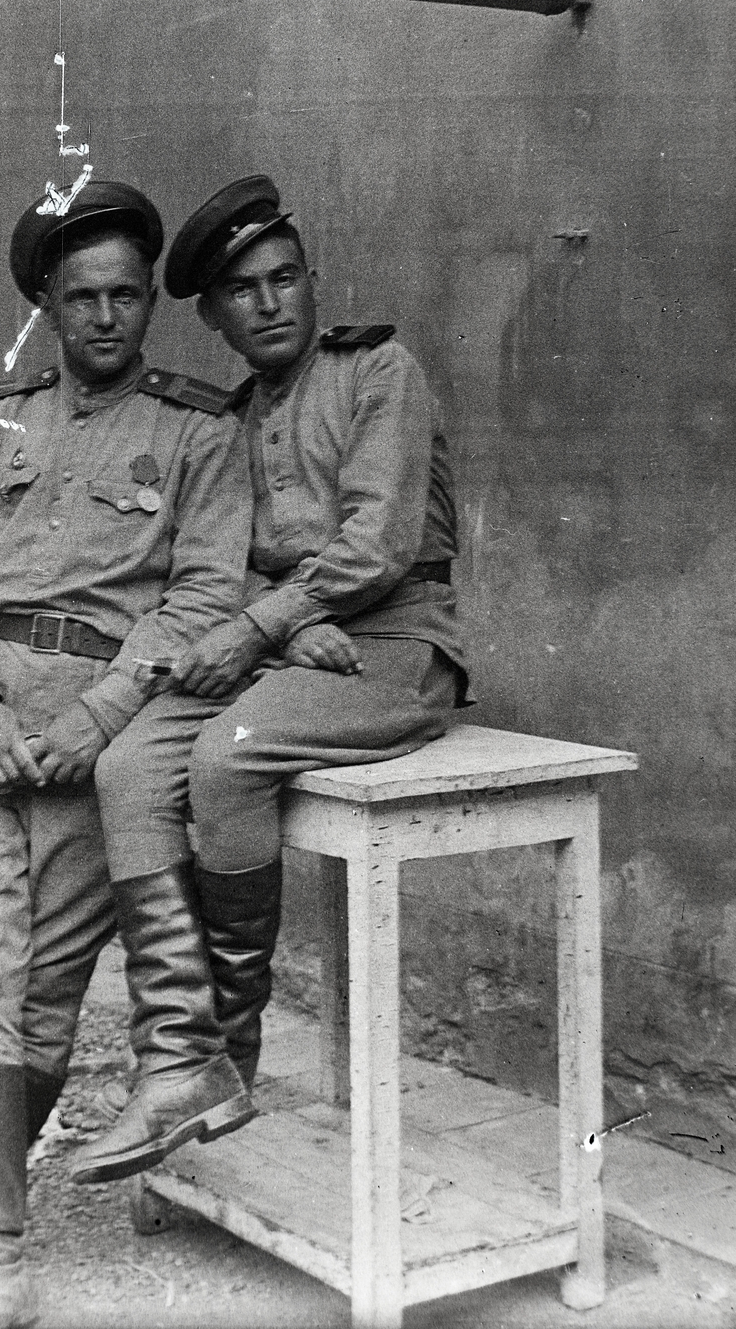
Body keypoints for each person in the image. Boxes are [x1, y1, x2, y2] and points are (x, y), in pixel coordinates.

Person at [0, 179, 253, 1326]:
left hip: (99, 736)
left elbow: (201, 593)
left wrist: (95, 716)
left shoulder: (197, 430)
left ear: (150, 304)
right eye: (81, 296)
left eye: (127, 297)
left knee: (41, 1006)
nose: (105, 317)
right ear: (45, 302)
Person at [74, 174, 470, 1186]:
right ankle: (173, 1058)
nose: (268, 301)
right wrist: (282, 634)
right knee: (124, 764)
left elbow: (376, 545)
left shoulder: (378, 370)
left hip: (394, 641)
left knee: (226, 756)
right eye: (241, 290)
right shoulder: (232, 419)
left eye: (283, 276)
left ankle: (226, 1055)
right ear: (212, 315)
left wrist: (265, 624)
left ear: (309, 280)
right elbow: (219, 559)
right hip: (296, 648)